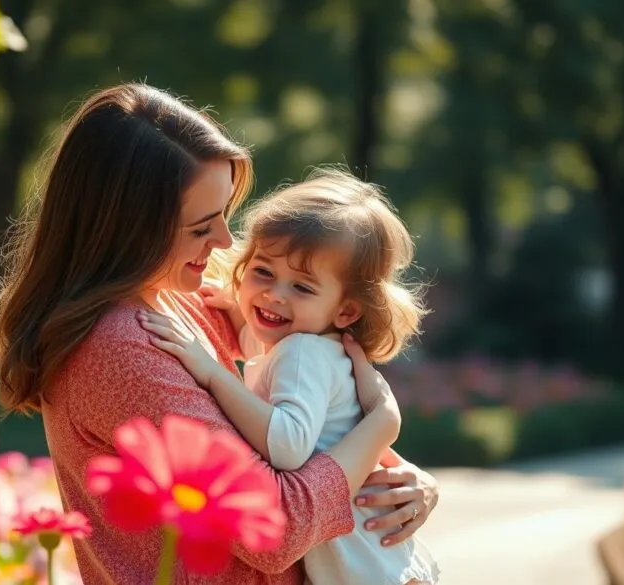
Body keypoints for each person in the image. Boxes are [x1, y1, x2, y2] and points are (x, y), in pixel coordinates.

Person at [0, 83, 440, 584]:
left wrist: (406, 480)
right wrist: (383, 422)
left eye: (224, 214)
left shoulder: (177, 296)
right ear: (129, 229)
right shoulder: (121, 348)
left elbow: (319, 410)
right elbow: (276, 528)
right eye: (202, 228)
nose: (226, 241)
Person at [140, 167, 440, 584]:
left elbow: (287, 446)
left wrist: (210, 372)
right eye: (263, 272)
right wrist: (236, 307)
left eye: (302, 287)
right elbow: (260, 353)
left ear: (346, 311)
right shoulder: (307, 344)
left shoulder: (302, 353)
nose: (274, 295)